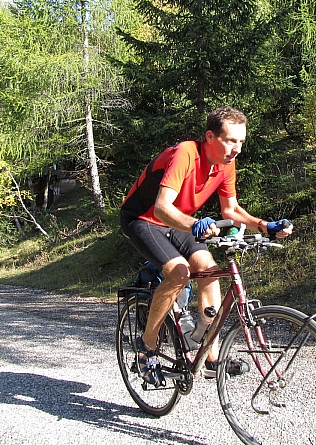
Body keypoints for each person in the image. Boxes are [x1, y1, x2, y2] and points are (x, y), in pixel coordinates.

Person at [120, 106, 293, 384]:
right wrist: (194, 224)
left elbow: (232, 210)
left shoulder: (226, 164)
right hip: (142, 219)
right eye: (230, 140)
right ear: (210, 137)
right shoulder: (186, 153)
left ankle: (210, 357)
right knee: (178, 271)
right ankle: (146, 346)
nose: (237, 149)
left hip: (176, 222)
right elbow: (162, 207)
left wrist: (265, 226)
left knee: (209, 267)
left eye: (241, 142)